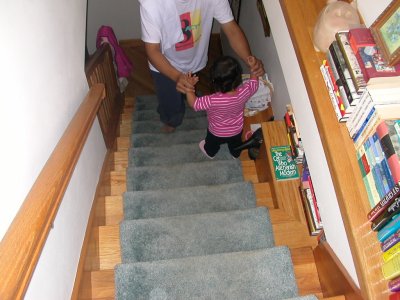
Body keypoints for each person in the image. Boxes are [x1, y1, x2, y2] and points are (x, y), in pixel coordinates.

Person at [139, 0, 265, 133]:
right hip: (164, 65)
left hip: (195, 61)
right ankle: (171, 120)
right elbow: (152, 50)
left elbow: (231, 29)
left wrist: (249, 59)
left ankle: (179, 101)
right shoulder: (151, 4)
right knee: (169, 101)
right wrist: (177, 76)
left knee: (185, 90)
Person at [185, 55, 259, 158]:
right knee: (236, 145)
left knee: (211, 146)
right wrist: (253, 68)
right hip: (236, 130)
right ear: (238, 78)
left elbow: (194, 104)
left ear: (214, 81)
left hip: (216, 132)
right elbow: (254, 84)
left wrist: (189, 88)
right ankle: (235, 154)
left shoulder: (211, 100)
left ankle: (210, 152)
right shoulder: (243, 92)